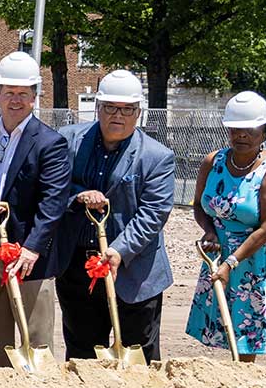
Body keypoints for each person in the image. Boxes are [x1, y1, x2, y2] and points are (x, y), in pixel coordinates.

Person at [47, 70, 175, 361]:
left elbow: (153, 214)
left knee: (138, 354)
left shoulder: (156, 157)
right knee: (82, 351)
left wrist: (118, 251)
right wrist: (77, 196)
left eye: (127, 109)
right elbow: (51, 187)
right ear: (98, 107)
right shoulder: (68, 142)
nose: (119, 115)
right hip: (79, 268)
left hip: (134, 271)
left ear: (138, 112)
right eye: (110, 107)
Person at [0, 51, 71, 367]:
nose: (15, 100)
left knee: (35, 339)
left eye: (23, 94)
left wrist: (32, 249)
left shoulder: (50, 143)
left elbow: (53, 202)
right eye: (9, 93)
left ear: (35, 96)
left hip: (29, 255)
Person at [186, 91, 266, 366]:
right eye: (235, 129)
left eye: (249, 129)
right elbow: (199, 205)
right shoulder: (214, 162)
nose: (241, 135)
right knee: (242, 315)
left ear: (265, 131)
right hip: (227, 250)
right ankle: (245, 383)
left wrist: (231, 262)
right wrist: (209, 231)